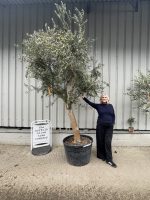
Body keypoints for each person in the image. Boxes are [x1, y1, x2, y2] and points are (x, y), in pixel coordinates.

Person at [82, 94, 117, 168]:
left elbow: (113, 115)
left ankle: (109, 160)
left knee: (107, 142)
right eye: (103, 97)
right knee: (100, 141)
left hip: (109, 127)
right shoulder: (98, 106)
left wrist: (113, 122)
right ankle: (101, 155)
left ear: (108, 99)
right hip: (100, 126)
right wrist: (84, 98)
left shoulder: (110, 106)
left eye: (105, 97)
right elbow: (90, 103)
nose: (104, 98)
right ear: (101, 99)